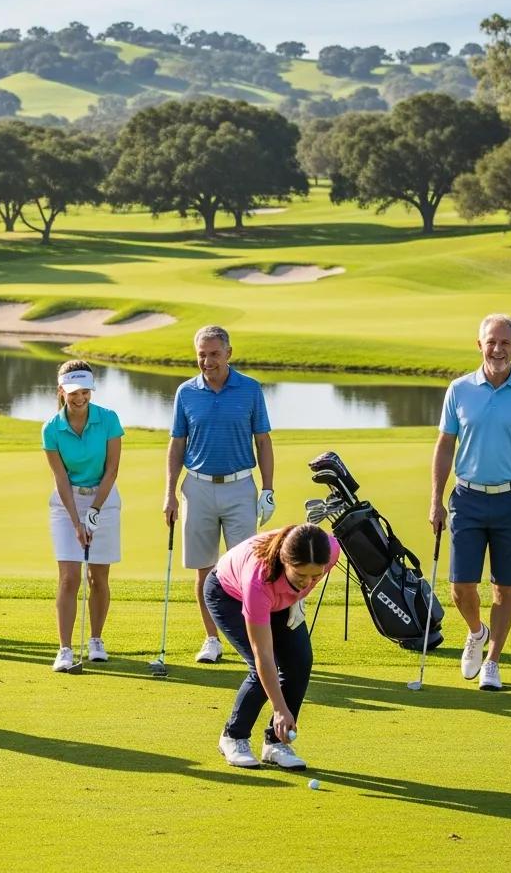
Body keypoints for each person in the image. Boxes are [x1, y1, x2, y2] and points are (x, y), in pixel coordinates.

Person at [429, 314, 511, 691]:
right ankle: (476, 632)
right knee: (461, 587)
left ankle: (493, 662)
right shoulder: (459, 389)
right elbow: (445, 445)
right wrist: (436, 499)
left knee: (504, 588)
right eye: (491, 342)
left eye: (505, 343)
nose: (498, 349)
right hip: (466, 498)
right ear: (479, 345)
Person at [164, 325, 275, 663]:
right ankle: (211, 639)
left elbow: (264, 442)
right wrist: (169, 492)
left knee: (246, 571)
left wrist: (268, 489)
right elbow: (176, 445)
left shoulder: (251, 390)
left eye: (214, 354)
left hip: (240, 486)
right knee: (204, 570)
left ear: (229, 353)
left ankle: (246, 641)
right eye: (201, 355)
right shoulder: (186, 392)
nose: (207, 361)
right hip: (196, 487)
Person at [205, 523, 339, 769]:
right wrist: (279, 708)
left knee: (300, 661)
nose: (308, 582)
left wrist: (296, 597)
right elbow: (263, 655)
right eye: (301, 576)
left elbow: (308, 575)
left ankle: (276, 743)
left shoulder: (329, 550)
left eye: (315, 576)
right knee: (263, 671)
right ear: (286, 562)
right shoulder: (258, 579)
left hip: (280, 598)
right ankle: (233, 737)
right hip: (229, 596)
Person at [41, 360, 124, 671]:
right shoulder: (52, 428)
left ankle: (96, 640)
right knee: (69, 579)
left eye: (86, 392)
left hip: (104, 498)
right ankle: (64, 648)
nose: (80, 398)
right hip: (67, 503)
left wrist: (95, 512)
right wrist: (77, 521)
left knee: (98, 578)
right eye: (74, 392)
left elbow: (112, 470)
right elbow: (60, 479)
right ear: (62, 391)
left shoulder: (108, 420)